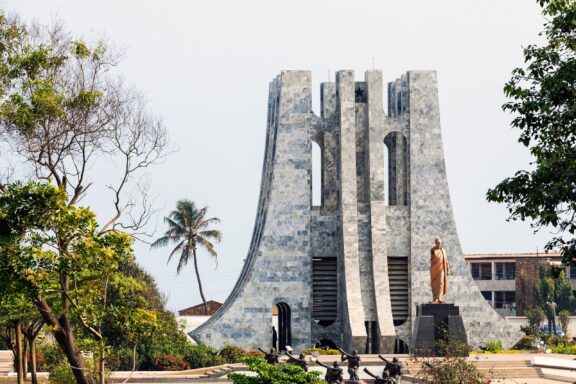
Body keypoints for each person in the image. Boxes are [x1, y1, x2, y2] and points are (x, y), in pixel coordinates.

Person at [430, 238, 449, 303]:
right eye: (438, 243)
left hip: (442, 269)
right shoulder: (433, 250)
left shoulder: (443, 250)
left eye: (440, 243)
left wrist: (448, 269)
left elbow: (446, 261)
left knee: (441, 282)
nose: (439, 244)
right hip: (434, 269)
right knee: (434, 283)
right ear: (435, 243)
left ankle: (440, 298)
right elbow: (432, 259)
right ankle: (435, 297)